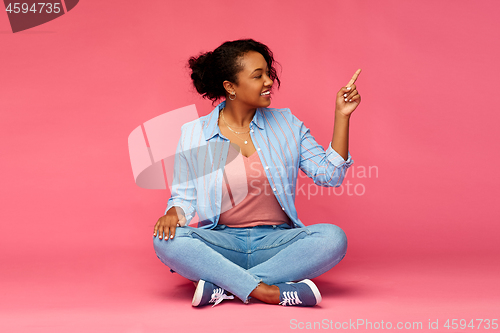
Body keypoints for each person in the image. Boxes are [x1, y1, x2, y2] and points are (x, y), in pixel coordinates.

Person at [153, 39, 361, 307]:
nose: (268, 82)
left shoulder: (287, 123)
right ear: (230, 87)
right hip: (222, 242)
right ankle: (268, 291)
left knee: (333, 238)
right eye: (257, 75)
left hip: (277, 243)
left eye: (267, 73)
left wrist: (342, 117)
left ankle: (227, 287)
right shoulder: (194, 133)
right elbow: (183, 198)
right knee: (166, 240)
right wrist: (173, 213)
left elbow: (329, 175)